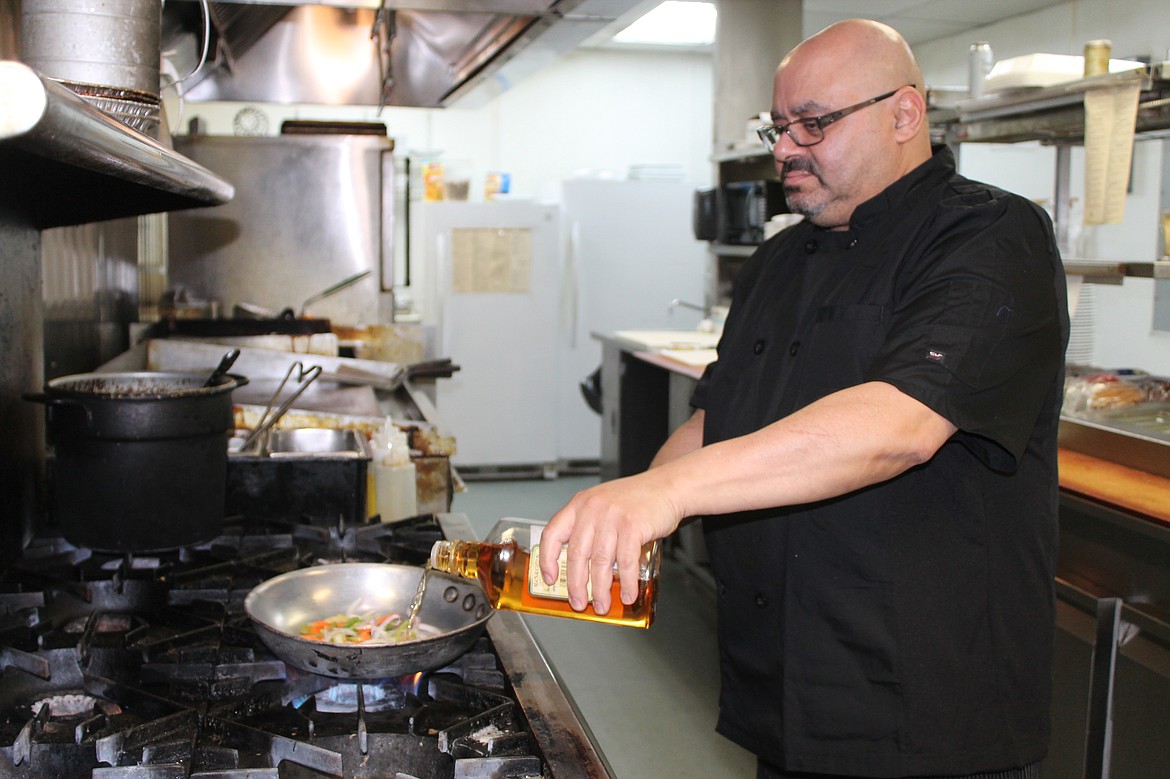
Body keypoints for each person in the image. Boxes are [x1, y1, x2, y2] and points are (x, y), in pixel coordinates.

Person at [538, 18, 1069, 779]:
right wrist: (632, 506)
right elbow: (713, 420)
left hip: (926, 711)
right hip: (786, 694)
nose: (785, 148)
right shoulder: (779, 259)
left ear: (904, 114)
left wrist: (669, 493)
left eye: (814, 123)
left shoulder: (990, 236)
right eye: (779, 126)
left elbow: (898, 424)